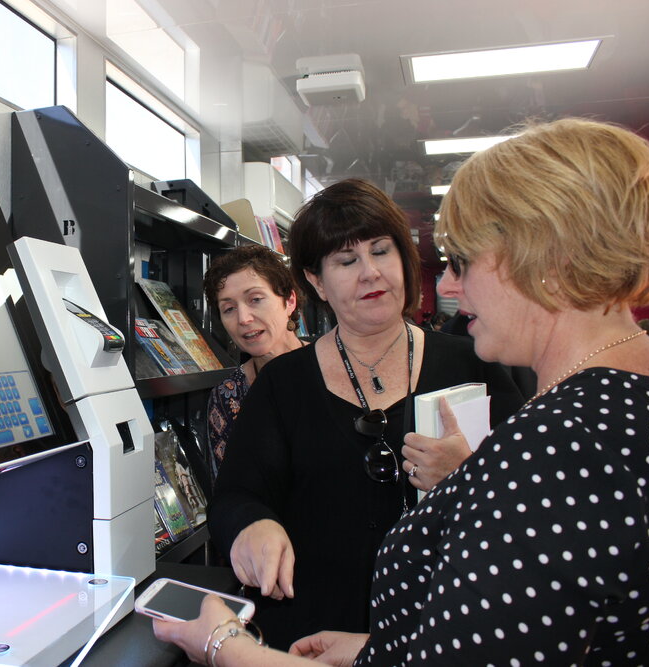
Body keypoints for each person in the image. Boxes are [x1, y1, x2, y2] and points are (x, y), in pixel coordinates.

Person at [154, 118, 649, 666]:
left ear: (543, 259)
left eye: (462, 262)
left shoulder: (558, 441)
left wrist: (222, 646)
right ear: (316, 281)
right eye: (346, 261)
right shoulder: (606, 415)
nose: (445, 285)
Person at [204, 178, 524, 650]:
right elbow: (235, 494)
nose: (371, 273)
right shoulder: (283, 383)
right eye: (347, 261)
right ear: (315, 282)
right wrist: (252, 524)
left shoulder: (473, 361)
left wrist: (467, 475)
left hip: (442, 631)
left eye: (381, 251)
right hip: (307, 637)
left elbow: (529, 496)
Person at [204, 245, 306, 478]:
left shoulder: (334, 368)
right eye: (228, 309)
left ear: (289, 301)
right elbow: (227, 491)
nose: (244, 318)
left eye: (256, 299)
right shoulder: (226, 397)